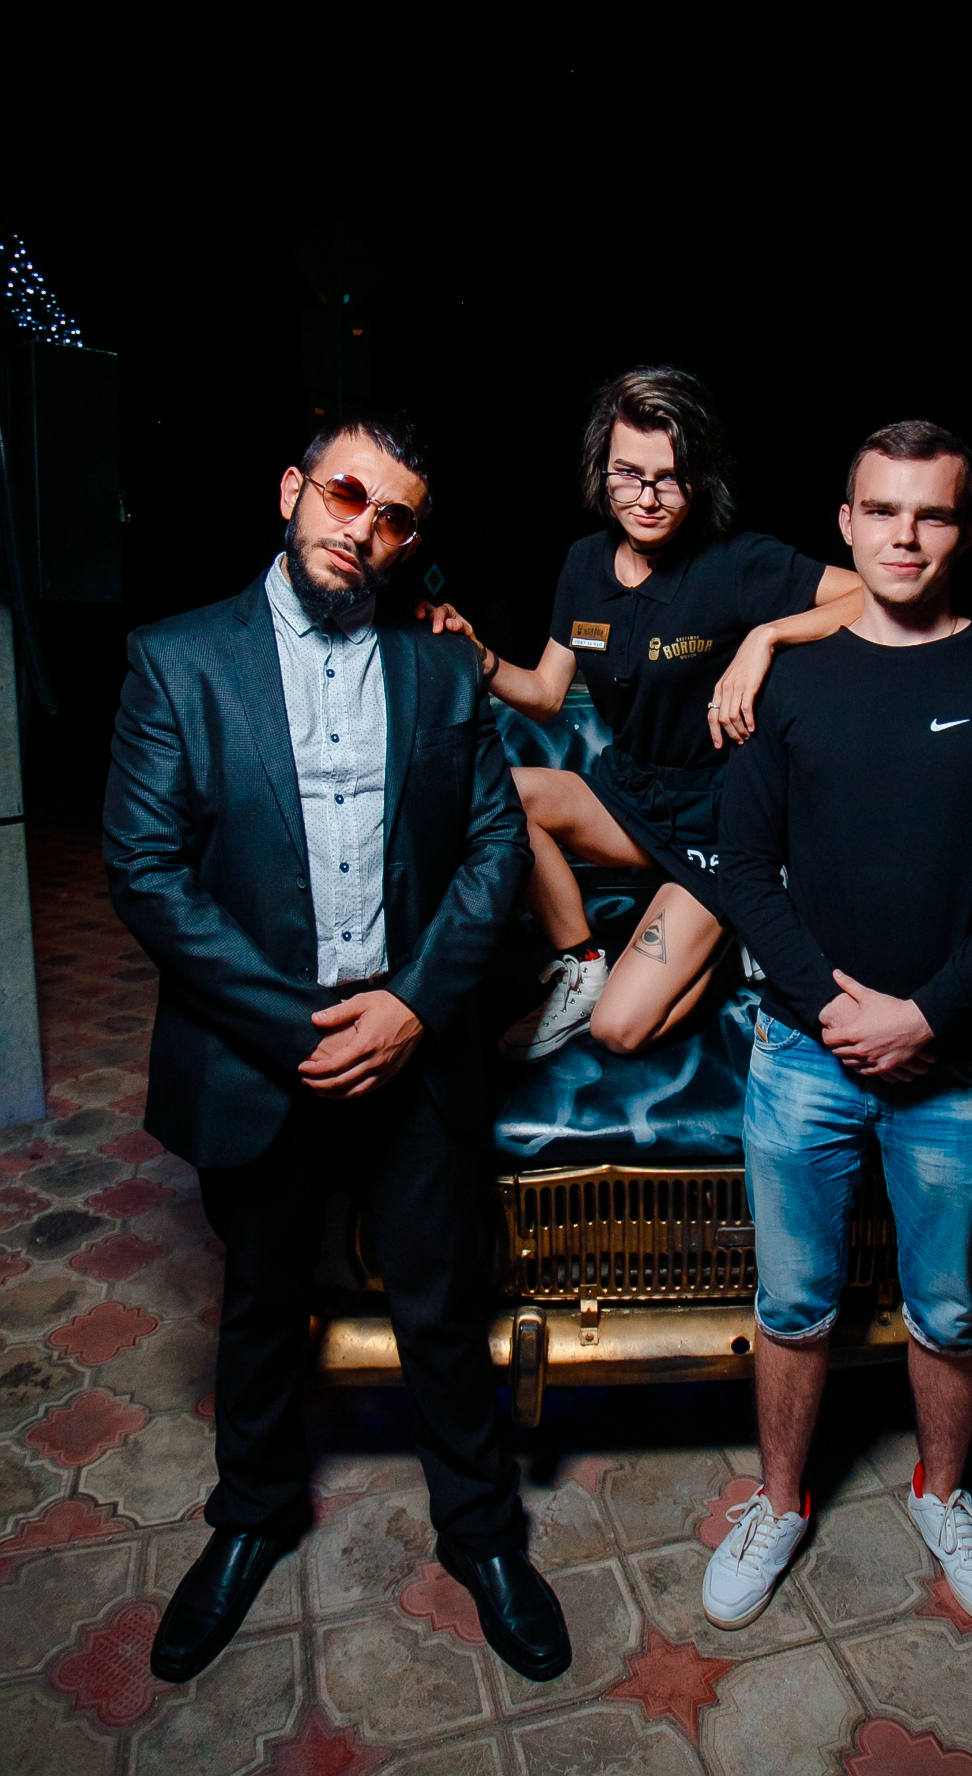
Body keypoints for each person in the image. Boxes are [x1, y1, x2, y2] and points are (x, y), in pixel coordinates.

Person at [103, 418, 571, 1685]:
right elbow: (145, 871)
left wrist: (410, 1007)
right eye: (345, 494)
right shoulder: (178, 660)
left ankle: (481, 1535)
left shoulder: (438, 669)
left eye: (394, 515)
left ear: (410, 540)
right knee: (262, 1304)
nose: (362, 529)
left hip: (414, 1044)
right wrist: (295, 1026)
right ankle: (252, 1516)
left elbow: (493, 846)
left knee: (441, 1304)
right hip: (266, 1054)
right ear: (292, 491)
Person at [706, 419, 972, 1633]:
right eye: (880, 510)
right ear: (845, 522)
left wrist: (924, 1015)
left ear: (962, 529)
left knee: (952, 1312)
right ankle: (778, 1505)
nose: (902, 536)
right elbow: (742, 869)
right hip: (801, 1056)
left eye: (930, 513)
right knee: (791, 1307)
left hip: (957, 1066)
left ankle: (942, 1495)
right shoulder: (787, 677)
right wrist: (834, 1009)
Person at [426, 364, 864, 1062]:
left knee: (619, 1031)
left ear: (700, 479)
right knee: (496, 794)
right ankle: (581, 965)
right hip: (630, 795)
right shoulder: (583, 564)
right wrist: (480, 658)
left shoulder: (735, 563)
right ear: (602, 471)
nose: (648, 499)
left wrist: (766, 637)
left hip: (722, 822)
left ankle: (735, 924)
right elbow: (545, 693)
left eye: (670, 478)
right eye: (628, 475)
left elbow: (868, 594)